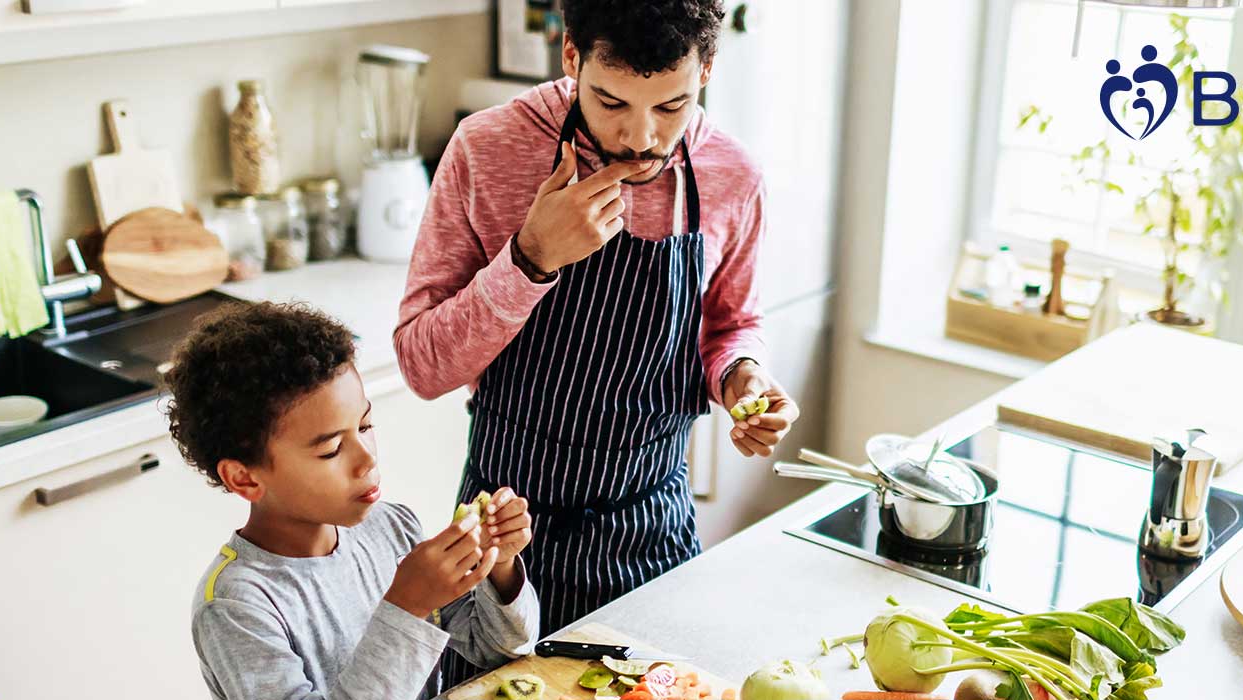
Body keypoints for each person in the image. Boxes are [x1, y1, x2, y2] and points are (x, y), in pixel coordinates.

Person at [395, 0, 802, 647]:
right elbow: (421, 366)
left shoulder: (733, 174)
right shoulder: (489, 149)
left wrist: (742, 379)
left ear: (707, 68)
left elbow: (731, 323)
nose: (641, 137)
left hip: (651, 534)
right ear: (571, 58)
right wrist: (529, 259)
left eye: (671, 106)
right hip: (503, 542)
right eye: (612, 104)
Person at [164, 302, 539, 699]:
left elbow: (499, 648)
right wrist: (407, 606)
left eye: (365, 425)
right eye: (330, 450)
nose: (367, 458)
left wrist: (500, 568)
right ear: (245, 478)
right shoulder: (236, 606)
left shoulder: (391, 529)